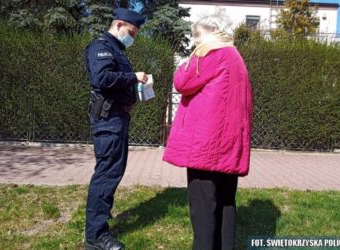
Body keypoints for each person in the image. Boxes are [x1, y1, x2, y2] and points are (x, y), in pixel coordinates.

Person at [163, 14, 253, 250]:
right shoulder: (235, 56)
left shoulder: (211, 52)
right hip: (229, 146)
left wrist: (184, 62)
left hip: (206, 146)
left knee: (203, 211)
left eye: (198, 35)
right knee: (225, 204)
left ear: (213, 30)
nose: (195, 41)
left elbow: (182, 82)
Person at [84, 8, 147, 250]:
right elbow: (102, 79)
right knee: (106, 175)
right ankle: (96, 237)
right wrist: (132, 77)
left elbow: (114, 79)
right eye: (132, 32)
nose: (134, 37)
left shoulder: (116, 50)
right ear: (119, 25)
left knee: (112, 172)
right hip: (109, 120)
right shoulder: (100, 47)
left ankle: (100, 223)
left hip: (117, 119)